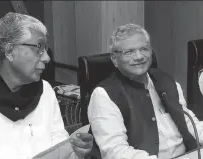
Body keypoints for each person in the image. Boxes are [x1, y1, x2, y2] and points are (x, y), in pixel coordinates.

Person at [0, 12, 93, 159]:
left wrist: (75, 152)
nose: (47, 58)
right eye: (39, 48)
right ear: (10, 51)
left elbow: (59, 150)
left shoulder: (45, 91)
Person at [87, 23, 203, 159]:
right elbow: (115, 151)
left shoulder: (165, 80)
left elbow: (189, 123)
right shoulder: (104, 95)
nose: (139, 57)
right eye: (129, 52)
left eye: (144, 49)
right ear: (114, 59)